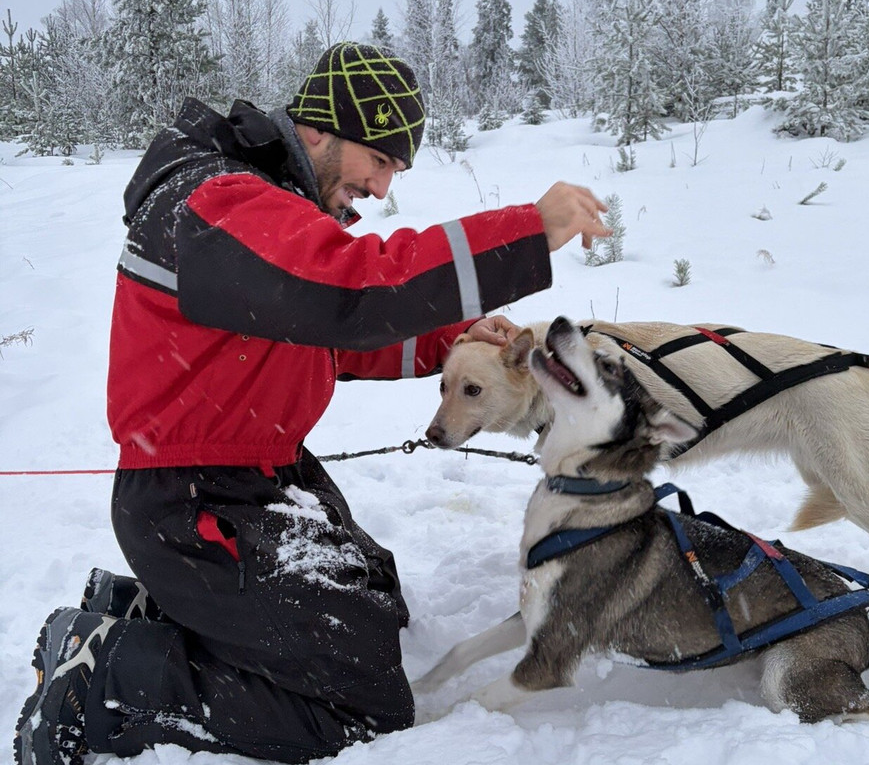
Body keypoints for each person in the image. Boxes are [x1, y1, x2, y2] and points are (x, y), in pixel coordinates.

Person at [14, 42, 609, 765]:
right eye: (380, 160)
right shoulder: (215, 200)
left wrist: (450, 337)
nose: (382, 187)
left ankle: (152, 615)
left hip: (260, 479)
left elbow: (329, 339)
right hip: (194, 498)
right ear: (322, 129)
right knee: (357, 707)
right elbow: (347, 290)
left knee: (373, 608)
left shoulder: (260, 210)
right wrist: (524, 232)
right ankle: (105, 677)